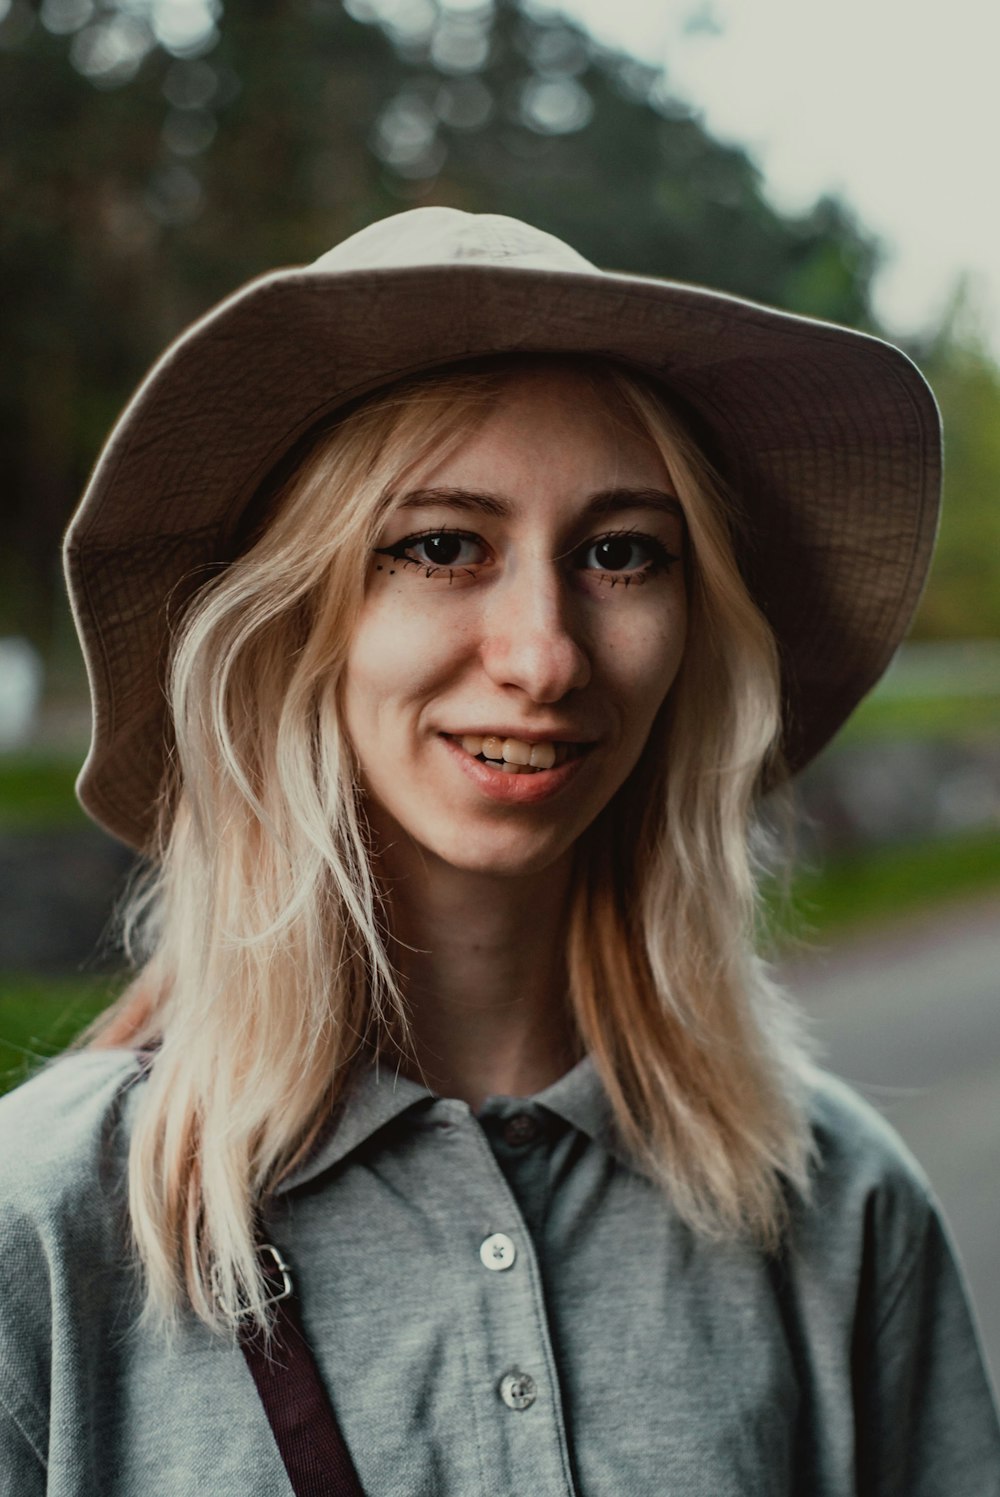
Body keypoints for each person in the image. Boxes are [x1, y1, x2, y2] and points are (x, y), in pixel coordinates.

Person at [1, 207, 998, 1497]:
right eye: (440, 546)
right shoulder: (43, 1231)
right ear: (290, 620)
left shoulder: (837, 1209)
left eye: (622, 553)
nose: (545, 655)